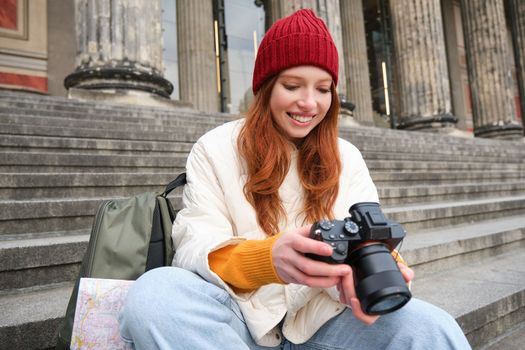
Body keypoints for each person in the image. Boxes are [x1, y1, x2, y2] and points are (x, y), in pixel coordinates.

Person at [119, 9, 471, 350]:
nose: (309, 103)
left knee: (432, 327)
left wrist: (370, 274)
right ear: (267, 87)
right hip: (237, 318)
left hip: (325, 319)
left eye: (323, 88)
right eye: (292, 85)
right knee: (156, 295)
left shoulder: (346, 156)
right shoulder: (215, 147)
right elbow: (194, 247)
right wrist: (268, 259)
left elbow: (365, 237)